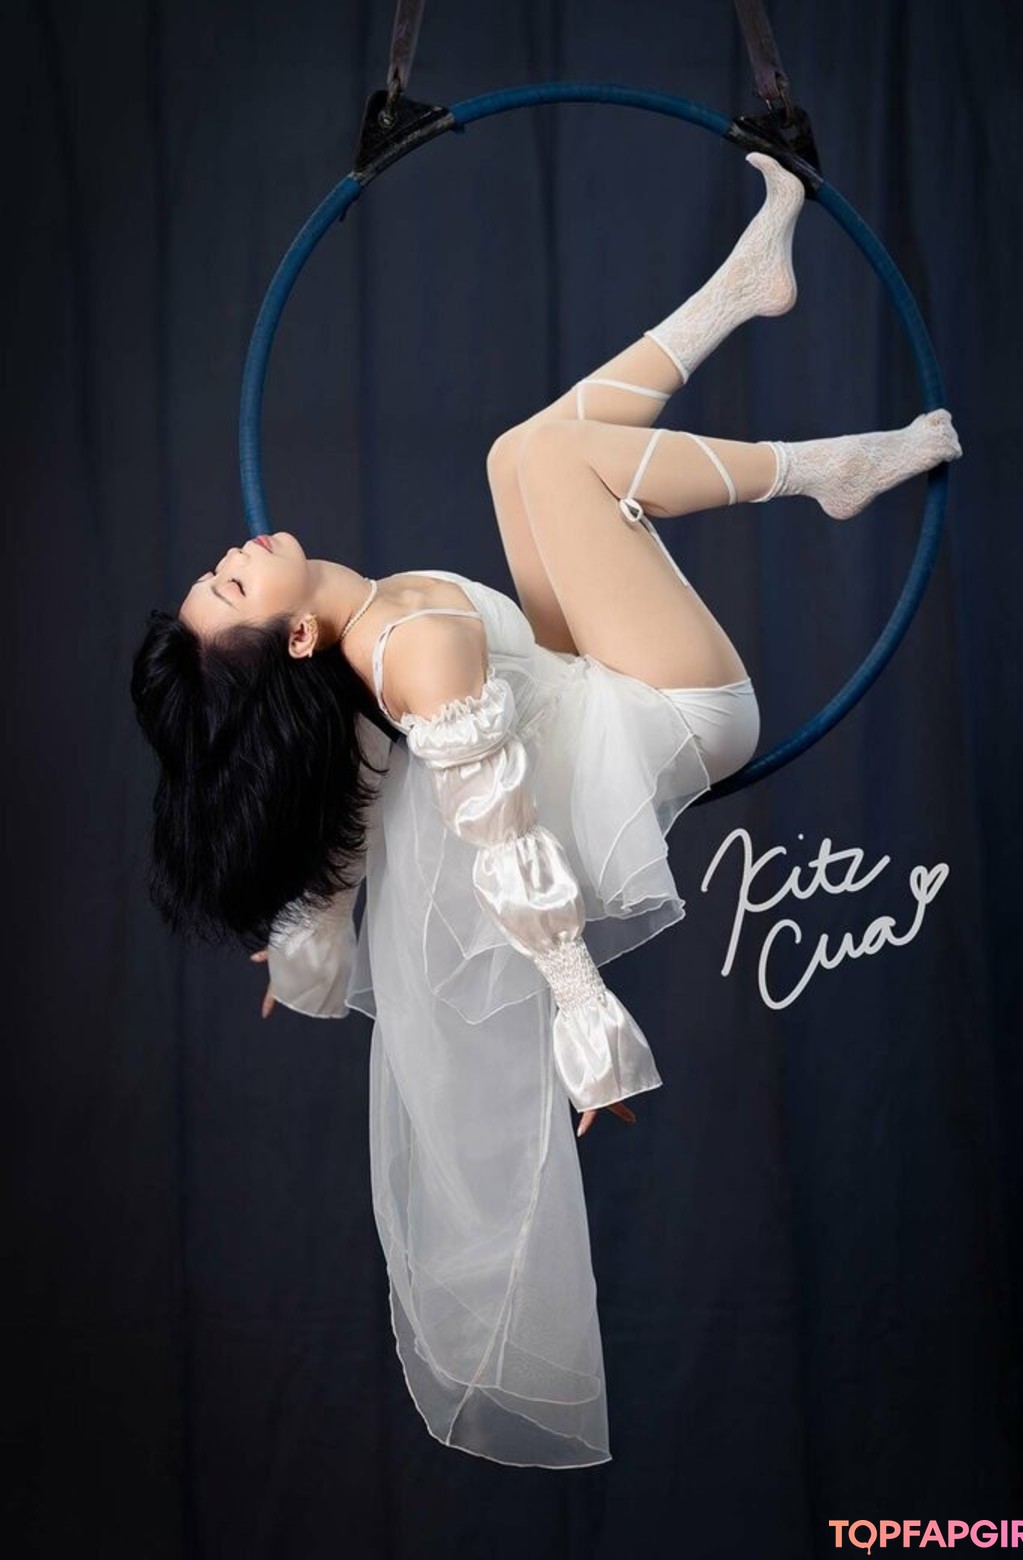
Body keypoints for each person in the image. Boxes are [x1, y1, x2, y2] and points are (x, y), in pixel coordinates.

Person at [130, 151, 962, 1467]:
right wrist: (582, 1017)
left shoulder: (357, 654)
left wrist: (313, 935)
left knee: (521, 453)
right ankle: (832, 468)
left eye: (214, 571)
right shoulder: (407, 649)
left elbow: (357, 796)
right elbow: (496, 837)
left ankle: (746, 284)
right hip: (673, 710)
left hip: (583, 687)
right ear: (288, 639)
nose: (230, 558)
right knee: (567, 470)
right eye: (230, 589)